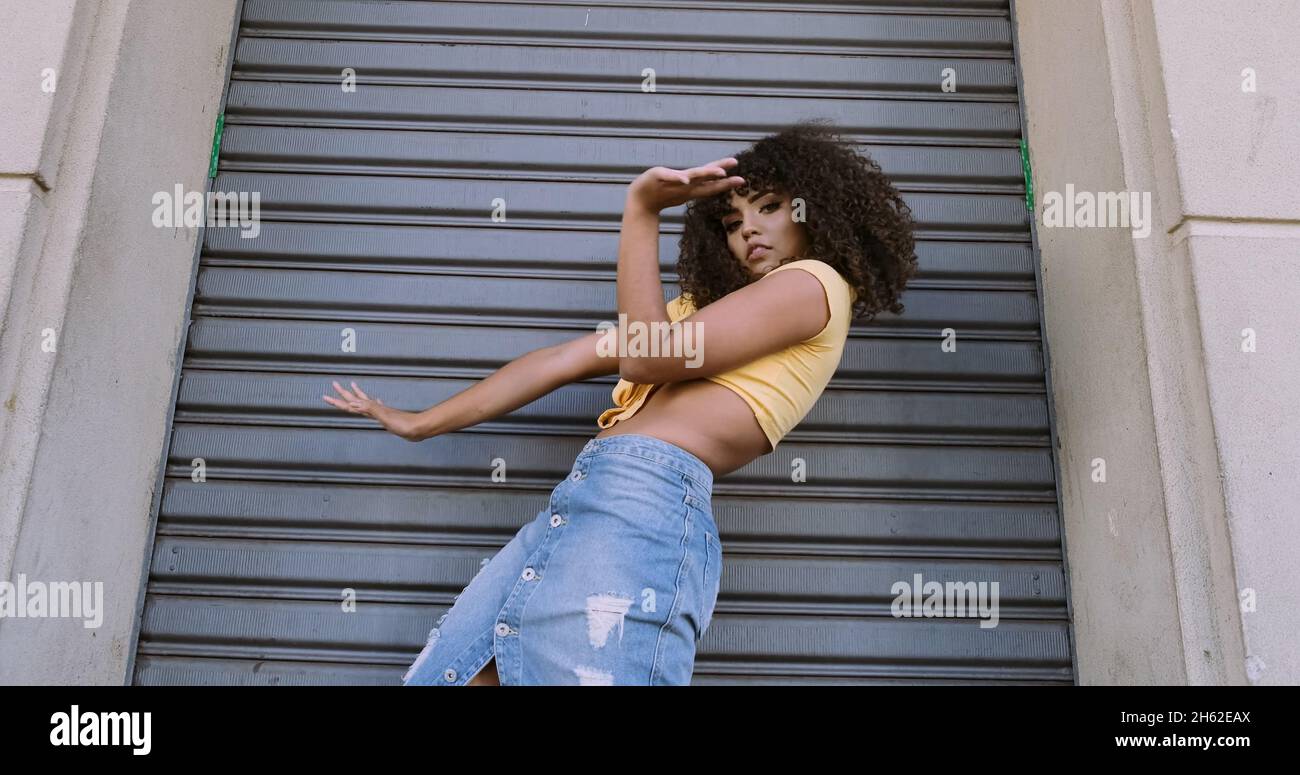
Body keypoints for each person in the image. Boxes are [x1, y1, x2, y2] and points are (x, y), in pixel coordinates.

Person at [323, 119, 918, 685]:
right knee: (465, 674)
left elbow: (645, 359)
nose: (749, 230)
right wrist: (422, 423)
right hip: (587, 495)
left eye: (768, 206)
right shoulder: (699, 320)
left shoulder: (812, 283)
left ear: (814, 209)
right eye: (733, 222)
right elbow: (566, 359)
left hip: (645, 503)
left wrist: (641, 210)